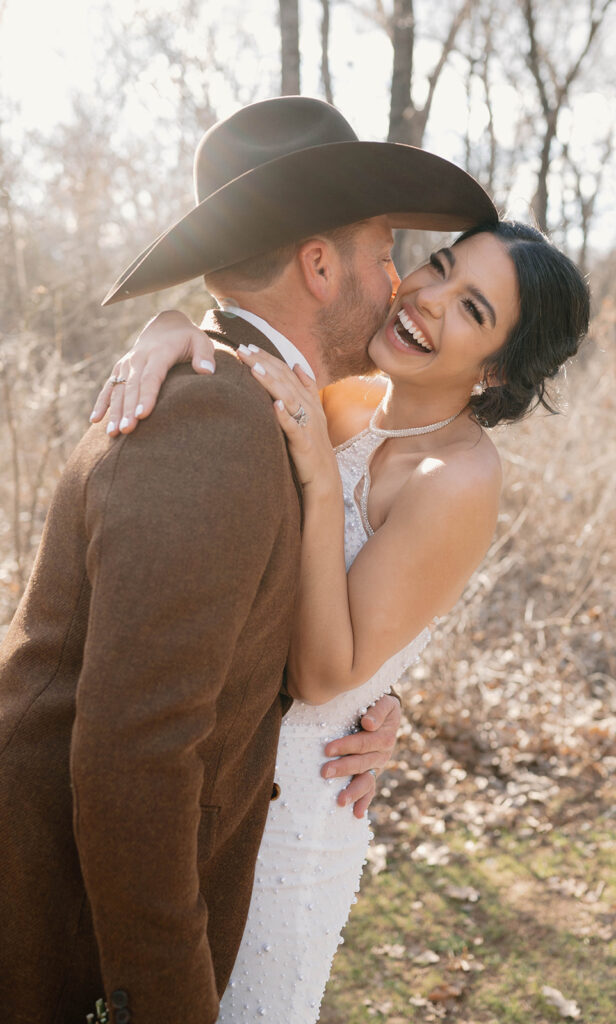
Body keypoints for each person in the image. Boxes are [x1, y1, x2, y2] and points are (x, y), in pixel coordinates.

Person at [0, 96, 498, 1024]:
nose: (396, 281)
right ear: (319, 265)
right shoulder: (208, 420)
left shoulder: (265, 399)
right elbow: (134, 758)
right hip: (56, 933)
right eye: (383, 251)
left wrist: (373, 705)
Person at [94, 219, 590, 1023]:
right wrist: (172, 327)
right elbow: (245, 351)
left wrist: (323, 479)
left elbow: (324, 675)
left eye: (470, 309)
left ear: (496, 369)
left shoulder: (457, 477)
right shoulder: (345, 393)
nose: (426, 298)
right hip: (216, 764)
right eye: (439, 266)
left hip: (301, 803)